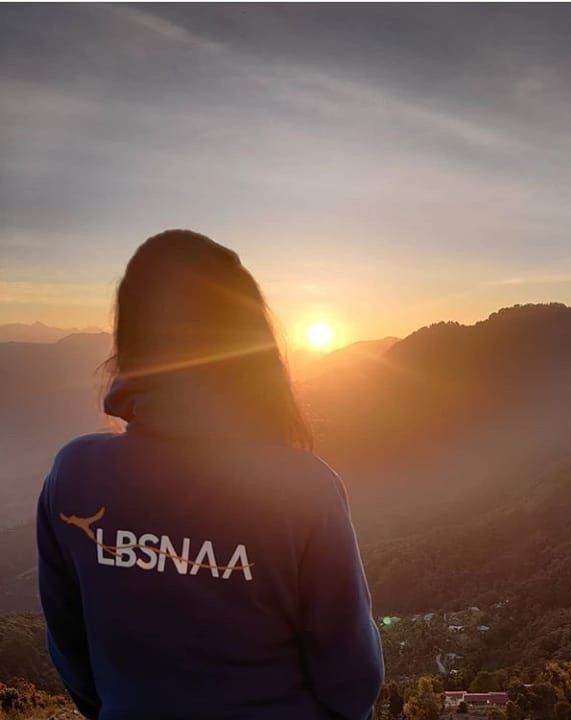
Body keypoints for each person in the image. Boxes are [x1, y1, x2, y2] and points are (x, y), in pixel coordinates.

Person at [36, 229, 384, 720]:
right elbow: (350, 678)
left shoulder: (73, 475)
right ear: (249, 343)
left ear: (134, 339)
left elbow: (71, 651)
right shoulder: (303, 489)